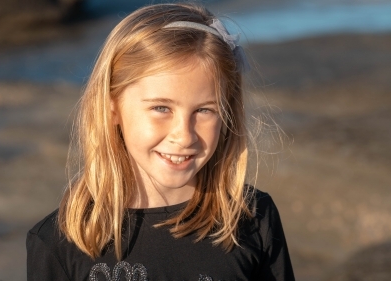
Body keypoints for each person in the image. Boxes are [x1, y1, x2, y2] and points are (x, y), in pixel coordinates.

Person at [26, 3, 294, 280]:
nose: (184, 135)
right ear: (112, 108)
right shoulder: (61, 241)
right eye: (161, 108)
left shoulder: (252, 219)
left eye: (204, 110)